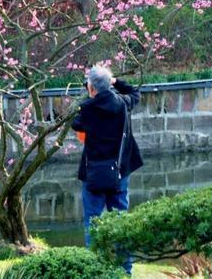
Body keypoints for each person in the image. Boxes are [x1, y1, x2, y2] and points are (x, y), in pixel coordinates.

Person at [72, 65, 143, 276]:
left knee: (92, 224)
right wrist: (115, 82)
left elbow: (76, 125)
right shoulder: (122, 104)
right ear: (108, 84)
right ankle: (125, 271)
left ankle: (96, 270)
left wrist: (91, 96)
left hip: (94, 174)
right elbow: (135, 93)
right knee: (121, 222)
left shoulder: (87, 109)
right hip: (119, 172)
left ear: (91, 87)